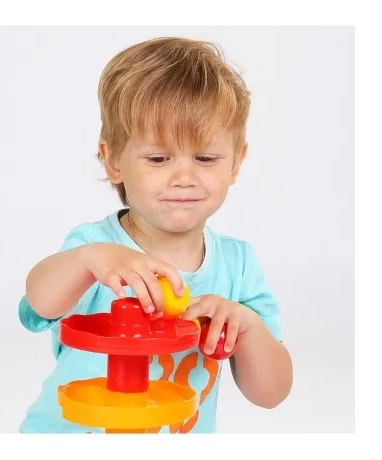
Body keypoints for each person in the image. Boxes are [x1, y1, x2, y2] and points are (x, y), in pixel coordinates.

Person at [18, 36, 293, 434]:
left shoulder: (238, 264)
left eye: (205, 158)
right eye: (158, 158)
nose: (183, 177)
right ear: (113, 160)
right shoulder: (95, 248)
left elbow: (271, 394)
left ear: (236, 162)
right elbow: (37, 306)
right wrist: (87, 261)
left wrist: (247, 327)